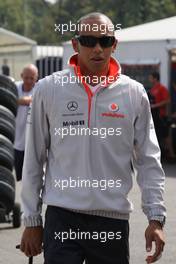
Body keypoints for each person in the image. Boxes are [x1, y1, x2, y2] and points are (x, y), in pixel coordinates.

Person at [20, 13, 166, 264]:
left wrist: (155, 218)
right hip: (62, 218)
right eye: (88, 40)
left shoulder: (134, 93)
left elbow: (149, 160)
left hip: (112, 221)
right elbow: (33, 158)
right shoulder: (49, 89)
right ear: (76, 45)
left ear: (114, 45)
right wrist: (31, 220)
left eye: (105, 41)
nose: (97, 48)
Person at [14, 64, 38, 181]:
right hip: (17, 143)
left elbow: (31, 100)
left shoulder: (39, 89)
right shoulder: (14, 88)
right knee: (19, 176)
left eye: (32, 78)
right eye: (26, 77)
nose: (29, 81)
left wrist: (14, 100)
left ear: (36, 78)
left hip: (34, 144)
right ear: (21, 76)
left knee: (32, 176)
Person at [149, 72, 176, 161]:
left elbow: (167, 101)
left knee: (165, 136)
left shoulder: (162, 88)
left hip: (161, 116)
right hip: (154, 117)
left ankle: (171, 155)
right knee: (156, 136)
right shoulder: (152, 89)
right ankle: (161, 155)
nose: (149, 79)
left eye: (151, 77)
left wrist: (155, 106)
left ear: (155, 78)